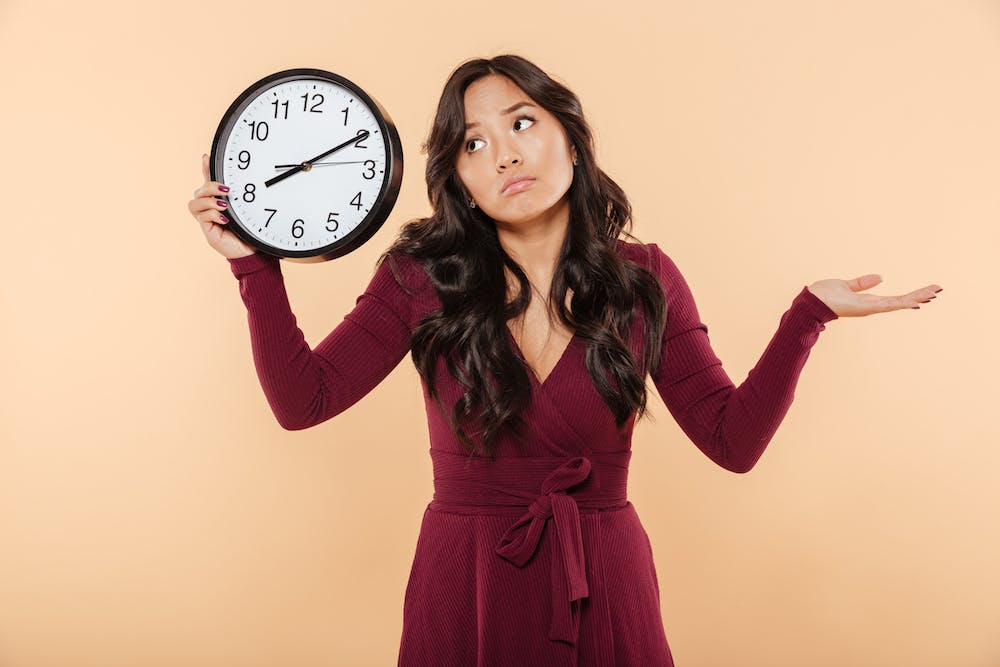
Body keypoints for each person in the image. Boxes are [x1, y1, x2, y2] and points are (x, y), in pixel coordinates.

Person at [187, 54, 942, 666]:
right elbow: (303, 400)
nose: (505, 151)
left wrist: (806, 316)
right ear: (462, 183)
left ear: (571, 143)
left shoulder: (644, 277)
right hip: (466, 583)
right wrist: (255, 267)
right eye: (474, 143)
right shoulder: (419, 276)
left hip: (604, 582)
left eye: (522, 122)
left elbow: (731, 439)